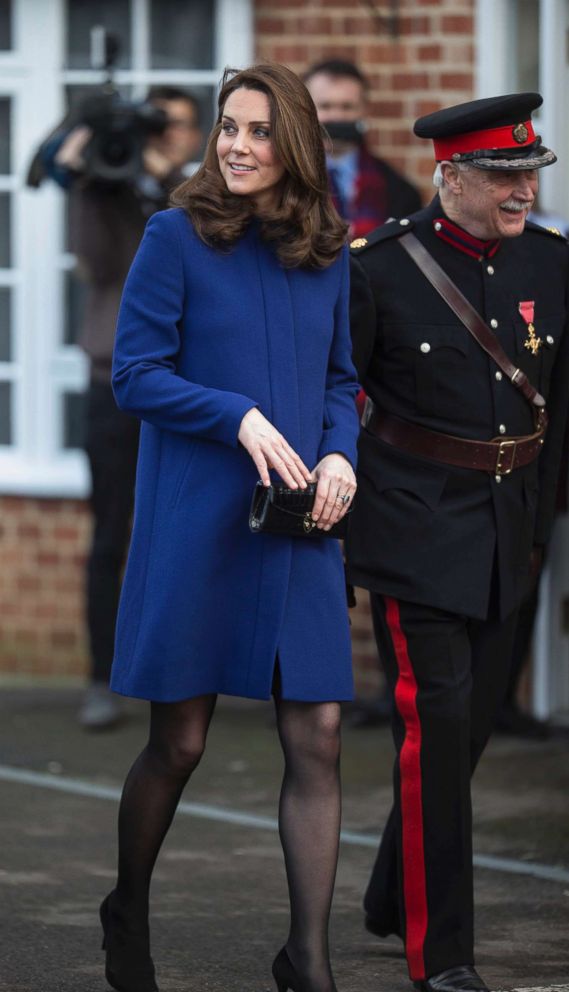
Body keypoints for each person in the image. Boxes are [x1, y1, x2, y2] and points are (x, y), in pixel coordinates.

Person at [99, 63, 360, 992]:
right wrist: (238, 415)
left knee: (319, 733)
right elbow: (135, 374)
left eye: (256, 130)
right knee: (180, 743)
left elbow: (339, 380)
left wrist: (340, 453)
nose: (236, 145)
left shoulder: (328, 252)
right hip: (203, 520)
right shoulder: (174, 236)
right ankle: (126, 906)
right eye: (226, 127)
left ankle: (309, 963)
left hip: (298, 523)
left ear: (293, 144)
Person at [346, 93, 569, 992]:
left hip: (511, 533)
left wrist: (543, 528)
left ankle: (388, 892)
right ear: (450, 177)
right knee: (435, 735)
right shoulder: (380, 269)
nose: (522, 190)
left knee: (467, 732)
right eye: (503, 175)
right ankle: (442, 959)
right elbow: (339, 402)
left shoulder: (552, 264)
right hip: (414, 529)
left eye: (530, 173)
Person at [42, 87, 203, 729]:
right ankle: (101, 678)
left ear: (197, 134)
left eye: (174, 124)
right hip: (116, 382)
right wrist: (86, 167)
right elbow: (97, 262)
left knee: (192, 532)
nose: (162, 134)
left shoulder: (202, 195)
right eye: (153, 124)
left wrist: (167, 180)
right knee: (112, 533)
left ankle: (191, 670)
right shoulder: (108, 190)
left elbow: (207, 247)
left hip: (191, 388)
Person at [304, 59, 422, 239]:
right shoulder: (284, 182)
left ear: (365, 110)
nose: (336, 116)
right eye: (325, 106)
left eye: (347, 107)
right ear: (305, 110)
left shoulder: (400, 192)